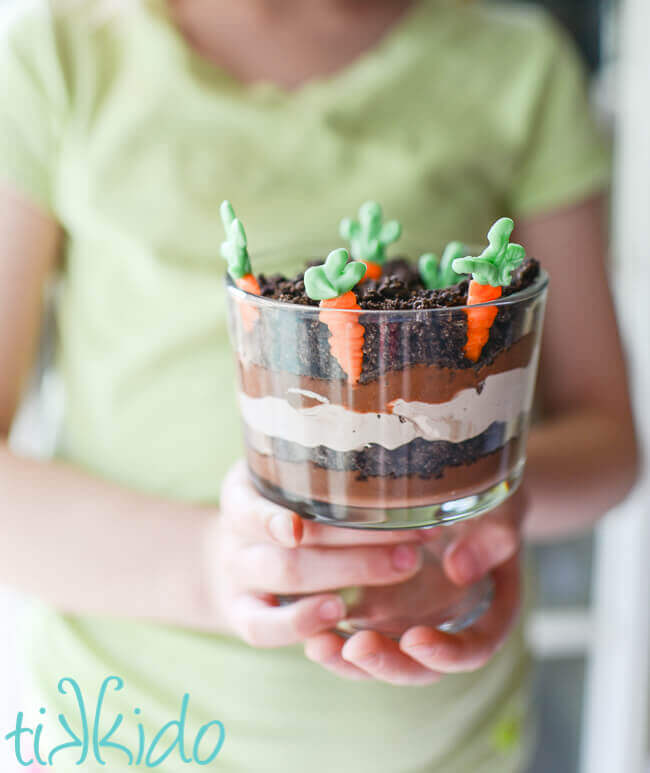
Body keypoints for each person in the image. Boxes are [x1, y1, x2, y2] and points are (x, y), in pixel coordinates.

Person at [0, 0, 638, 771]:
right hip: (126, 733)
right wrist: (212, 564)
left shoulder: (516, 68)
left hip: (447, 745)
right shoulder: (60, 59)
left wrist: (491, 495)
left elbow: (608, 442)